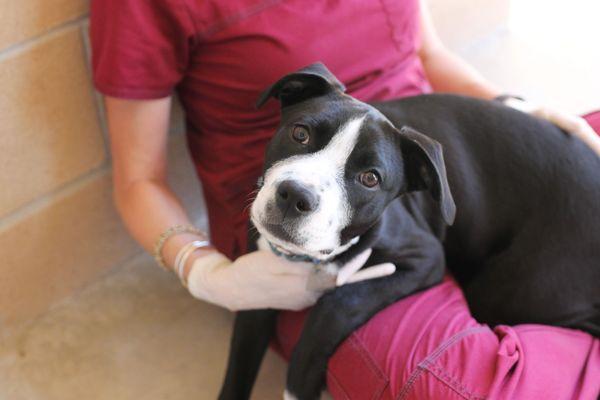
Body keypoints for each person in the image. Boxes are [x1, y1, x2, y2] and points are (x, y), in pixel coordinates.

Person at [90, 0, 600, 398]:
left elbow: (428, 54)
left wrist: (510, 108)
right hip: (278, 209)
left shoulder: (415, 172)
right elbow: (139, 181)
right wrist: (203, 272)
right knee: (455, 384)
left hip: (407, 157)